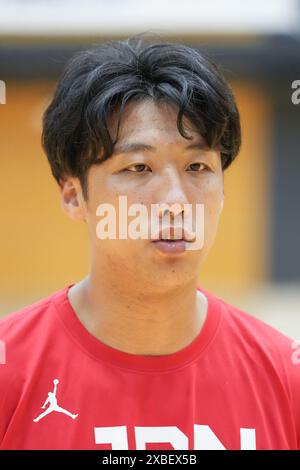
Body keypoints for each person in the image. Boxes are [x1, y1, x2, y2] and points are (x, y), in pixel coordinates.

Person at [0, 35, 299, 450]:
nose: (176, 201)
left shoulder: (287, 377)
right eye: (139, 167)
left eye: (198, 166)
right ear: (73, 194)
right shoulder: (9, 371)